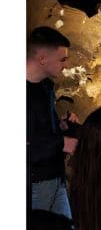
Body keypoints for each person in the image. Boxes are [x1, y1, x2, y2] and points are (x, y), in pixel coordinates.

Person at [27, 28, 77, 216]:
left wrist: (60, 125)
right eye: (62, 59)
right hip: (35, 183)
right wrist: (62, 143)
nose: (66, 65)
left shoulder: (46, 86)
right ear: (42, 58)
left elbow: (39, 129)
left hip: (56, 176)